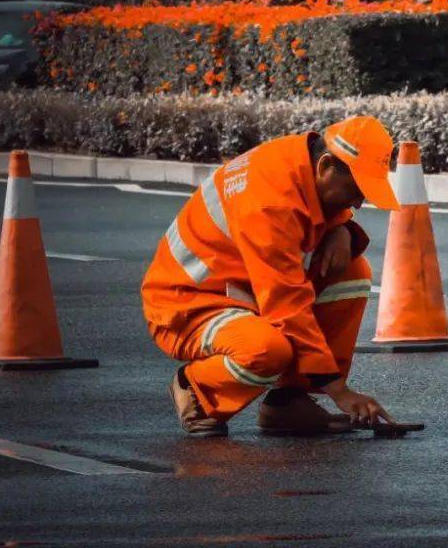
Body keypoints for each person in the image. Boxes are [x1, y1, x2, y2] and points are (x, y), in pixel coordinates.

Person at [141, 116, 400, 438]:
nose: (360, 202)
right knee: (268, 350)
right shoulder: (268, 202)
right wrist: (339, 391)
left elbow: (313, 209)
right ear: (325, 166)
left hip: (240, 288)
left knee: (351, 271)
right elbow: (286, 303)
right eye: (356, 189)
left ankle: (288, 402)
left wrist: (342, 228)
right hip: (189, 303)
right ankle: (197, 391)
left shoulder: (298, 160)